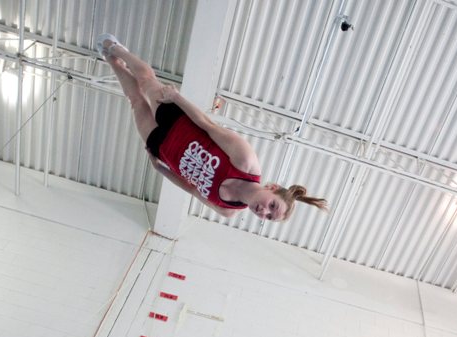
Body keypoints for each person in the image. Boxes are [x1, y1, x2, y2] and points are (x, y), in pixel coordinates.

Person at [95, 34, 327, 221]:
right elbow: (208, 125)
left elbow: (193, 190)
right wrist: (177, 98)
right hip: (178, 121)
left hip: (163, 148)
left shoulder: (227, 209)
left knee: (135, 101)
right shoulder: (245, 161)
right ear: (272, 188)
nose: (263, 211)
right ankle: (116, 48)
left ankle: (111, 60)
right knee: (146, 81)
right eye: (272, 205)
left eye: (268, 217)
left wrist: (160, 169)